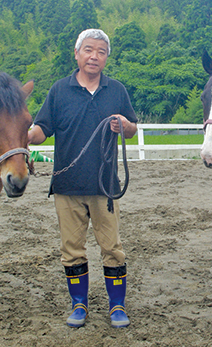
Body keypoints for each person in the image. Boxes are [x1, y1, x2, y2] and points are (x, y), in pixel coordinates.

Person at [28, 29, 138, 329]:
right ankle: (79, 304)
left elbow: (131, 130)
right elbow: (42, 128)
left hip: (105, 187)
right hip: (67, 187)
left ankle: (117, 306)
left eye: (101, 51)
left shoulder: (116, 90)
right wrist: (23, 138)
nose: (94, 56)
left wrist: (125, 124)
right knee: (72, 249)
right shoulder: (59, 90)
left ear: (106, 58)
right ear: (77, 54)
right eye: (88, 50)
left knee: (112, 248)